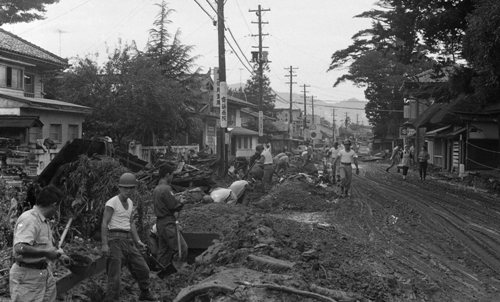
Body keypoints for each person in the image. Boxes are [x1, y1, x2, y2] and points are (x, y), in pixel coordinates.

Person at [101, 173, 156, 301]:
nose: (128, 191)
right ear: (119, 188)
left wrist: (138, 241)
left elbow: (131, 223)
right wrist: (104, 244)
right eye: (125, 188)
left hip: (127, 241)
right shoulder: (112, 203)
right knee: (115, 277)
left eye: (131, 188)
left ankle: (144, 292)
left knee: (143, 268)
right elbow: (104, 223)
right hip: (114, 240)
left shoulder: (130, 202)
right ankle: (111, 299)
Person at [10, 185, 68, 302]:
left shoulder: (43, 221)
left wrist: (59, 255)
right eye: (58, 207)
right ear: (54, 205)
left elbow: (44, 246)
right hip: (27, 277)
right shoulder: (29, 219)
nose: (57, 211)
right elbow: (20, 247)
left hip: (43, 274)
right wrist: (46, 252)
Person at [153, 164, 187, 277]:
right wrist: (181, 202)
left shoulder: (157, 188)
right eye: (172, 175)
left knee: (164, 250)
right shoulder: (166, 188)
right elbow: (174, 206)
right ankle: (178, 273)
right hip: (168, 223)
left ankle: (160, 274)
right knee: (181, 248)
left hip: (160, 223)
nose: (172, 177)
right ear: (168, 175)